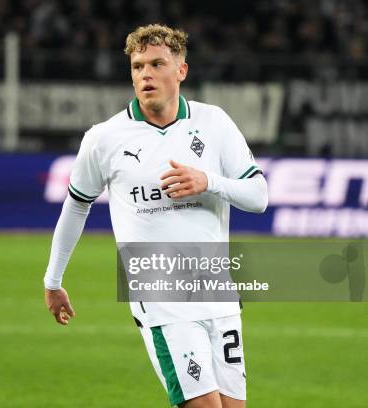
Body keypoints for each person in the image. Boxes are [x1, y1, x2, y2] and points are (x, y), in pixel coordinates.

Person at [43, 24, 267, 408]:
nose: (145, 74)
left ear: (181, 70)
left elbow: (258, 196)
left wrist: (208, 181)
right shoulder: (104, 138)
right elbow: (77, 204)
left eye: (157, 64)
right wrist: (53, 279)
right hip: (161, 297)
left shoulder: (214, 123)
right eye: (137, 66)